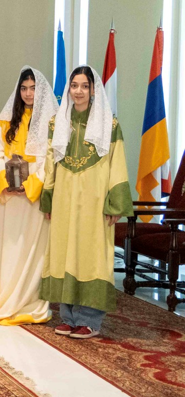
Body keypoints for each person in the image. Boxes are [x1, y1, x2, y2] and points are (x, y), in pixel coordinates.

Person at [41, 66, 133, 339]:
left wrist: (114, 203)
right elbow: (50, 164)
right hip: (65, 200)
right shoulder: (57, 123)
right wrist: (48, 198)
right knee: (65, 252)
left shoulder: (109, 124)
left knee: (90, 256)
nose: (78, 91)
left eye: (84, 86)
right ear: (69, 89)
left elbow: (117, 164)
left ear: (93, 90)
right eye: (74, 85)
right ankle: (68, 317)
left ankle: (90, 320)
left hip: (94, 202)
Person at [0, 67, 58, 327]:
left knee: (32, 249)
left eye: (33, 88)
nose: (28, 93)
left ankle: (29, 301)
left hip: (33, 198)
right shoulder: (7, 120)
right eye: (24, 88)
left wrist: (30, 184)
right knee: (9, 246)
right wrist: (6, 183)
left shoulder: (52, 122)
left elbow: (51, 159)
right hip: (10, 198)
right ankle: (8, 296)